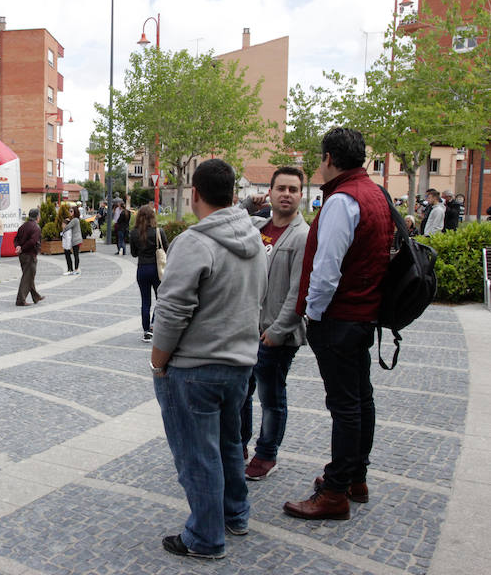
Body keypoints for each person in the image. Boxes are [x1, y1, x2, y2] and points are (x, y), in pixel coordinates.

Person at [150, 159, 267, 560]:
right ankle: (236, 515)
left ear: (195, 194)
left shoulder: (194, 243)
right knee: (229, 445)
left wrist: (157, 361)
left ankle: (204, 537)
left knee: (197, 454)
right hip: (239, 364)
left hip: (195, 368)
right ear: (233, 194)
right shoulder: (254, 240)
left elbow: (172, 309)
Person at [283, 127, 393, 521]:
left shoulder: (342, 200)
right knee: (360, 399)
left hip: (340, 318)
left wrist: (313, 313)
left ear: (329, 158)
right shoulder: (376, 194)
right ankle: (354, 478)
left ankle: (335, 492)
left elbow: (326, 269)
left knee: (345, 406)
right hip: (364, 313)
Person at [237, 167, 309, 481]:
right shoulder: (258, 225)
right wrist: (248, 204)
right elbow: (228, 219)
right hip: (248, 330)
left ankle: (267, 453)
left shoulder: (304, 236)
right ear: (271, 191)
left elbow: (300, 291)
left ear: (300, 195)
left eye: (293, 189)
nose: (286, 194)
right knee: (240, 392)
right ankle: (238, 444)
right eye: (281, 188)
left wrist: (278, 331)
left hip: (275, 335)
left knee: (271, 397)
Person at [130, 204, 167, 342]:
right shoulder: (158, 231)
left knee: (145, 301)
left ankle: (146, 331)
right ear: (153, 216)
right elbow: (166, 249)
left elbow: (133, 254)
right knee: (161, 299)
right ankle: (153, 325)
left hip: (142, 270)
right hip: (157, 270)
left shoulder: (134, 233)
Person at [14, 208, 45, 306]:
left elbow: (16, 238)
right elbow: (33, 241)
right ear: (37, 217)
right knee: (27, 277)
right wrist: (22, 248)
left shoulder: (23, 226)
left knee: (28, 276)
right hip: (30, 255)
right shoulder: (36, 227)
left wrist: (18, 246)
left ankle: (36, 296)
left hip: (22, 255)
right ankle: (20, 300)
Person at [61, 205, 82, 275]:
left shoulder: (75, 220)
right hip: (76, 239)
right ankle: (73, 269)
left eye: (71, 211)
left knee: (75, 255)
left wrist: (65, 223)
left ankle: (75, 269)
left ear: (75, 212)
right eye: (69, 211)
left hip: (76, 240)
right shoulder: (74, 220)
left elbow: (67, 227)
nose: (70, 212)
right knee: (74, 254)